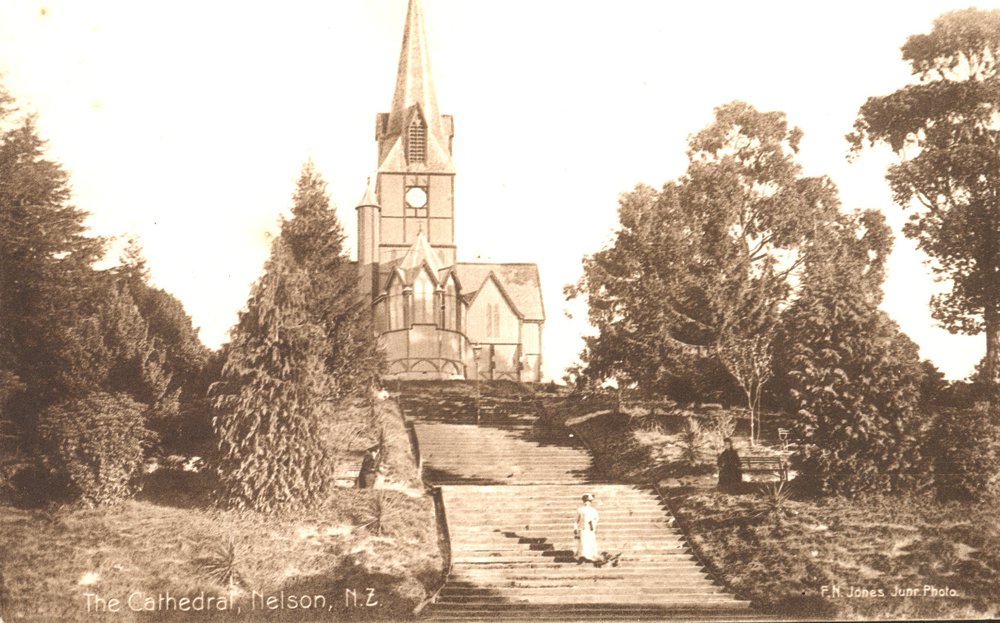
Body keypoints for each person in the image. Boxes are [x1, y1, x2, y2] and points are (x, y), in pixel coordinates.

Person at [574, 493, 599, 564]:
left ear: (590, 502)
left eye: (588, 501)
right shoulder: (580, 510)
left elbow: (596, 519)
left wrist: (593, 525)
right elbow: (576, 520)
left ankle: (590, 556)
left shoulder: (593, 510)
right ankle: (582, 556)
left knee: (590, 541)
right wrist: (575, 528)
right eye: (585, 501)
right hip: (582, 528)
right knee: (583, 542)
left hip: (590, 528)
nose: (586, 503)